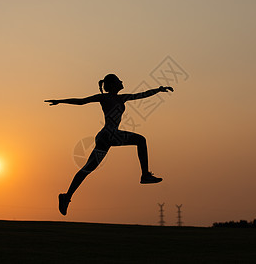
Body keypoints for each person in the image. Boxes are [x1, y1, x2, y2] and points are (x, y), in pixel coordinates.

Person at [45, 74, 174, 215]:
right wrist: (60, 101)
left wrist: (159, 89)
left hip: (106, 137)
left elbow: (140, 95)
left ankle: (67, 196)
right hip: (109, 134)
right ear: (113, 84)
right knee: (140, 140)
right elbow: (82, 101)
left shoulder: (122, 97)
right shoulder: (104, 98)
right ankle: (145, 175)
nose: (122, 81)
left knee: (87, 169)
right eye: (119, 80)